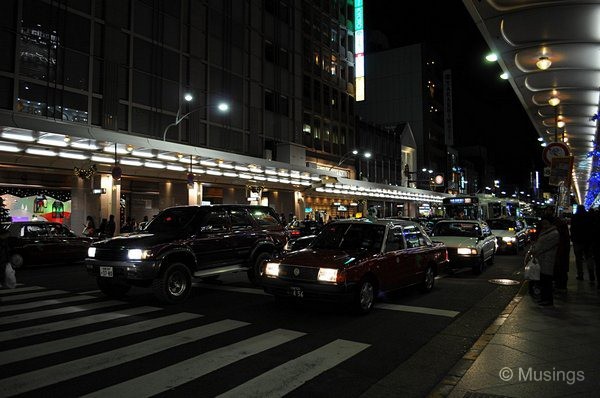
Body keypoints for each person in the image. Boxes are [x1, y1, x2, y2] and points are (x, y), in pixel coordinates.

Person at [530, 218, 560, 306]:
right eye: (543, 223)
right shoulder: (546, 232)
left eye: (546, 223)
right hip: (542, 259)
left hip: (547, 259)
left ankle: (548, 299)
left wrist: (536, 251)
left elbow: (544, 246)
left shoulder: (554, 233)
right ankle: (544, 298)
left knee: (547, 280)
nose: (544, 225)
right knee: (543, 280)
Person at [570, 204, 595, 281]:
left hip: (577, 241)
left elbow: (572, 229)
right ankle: (591, 275)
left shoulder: (574, 217)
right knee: (588, 258)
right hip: (587, 241)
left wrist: (573, 238)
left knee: (578, 259)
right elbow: (592, 229)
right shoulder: (588, 217)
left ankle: (580, 274)